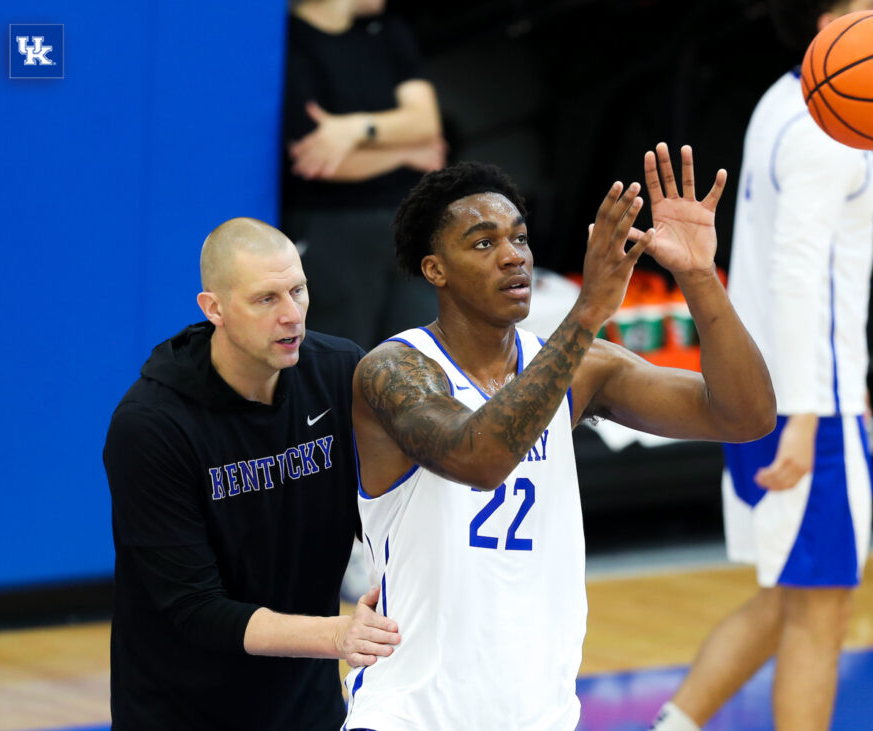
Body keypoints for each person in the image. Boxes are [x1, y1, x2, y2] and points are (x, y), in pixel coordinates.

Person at [341, 144, 776, 730]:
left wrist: (698, 276)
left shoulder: (579, 366)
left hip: (538, 714)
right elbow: (479, 456)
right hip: (412, 714)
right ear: (434, 269)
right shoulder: (394, 370)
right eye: (483, 242)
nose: (512, 257)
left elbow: (744, 416)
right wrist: (587, 311)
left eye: (519, 238)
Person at [647, 2, 873, 729]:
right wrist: (808, 416)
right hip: (804, 408)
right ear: (826, 25)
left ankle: (674, 723)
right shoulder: (831, 128)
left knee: (792, 593)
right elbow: (794, 276)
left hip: (764, 389)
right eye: (869, 6)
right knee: (822, 611)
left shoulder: (785, 97)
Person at [102, 218, 401, 730]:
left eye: (298, 291)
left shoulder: (339, 371)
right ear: (213, 308)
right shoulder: (151, 426)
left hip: (307, 703)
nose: (291, 316)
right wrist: (336, 636)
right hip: (181, 709)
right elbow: (194, 608)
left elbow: (383, 513)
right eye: (266, 300)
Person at [281, 0, 445, 349]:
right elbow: (320, 161)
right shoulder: (290, 40)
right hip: (332, 230)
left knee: (421, 358)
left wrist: (355, 130)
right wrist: (406, 150)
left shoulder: (389, 32)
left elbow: (426, 123)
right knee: (343, 364)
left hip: (410, 225)